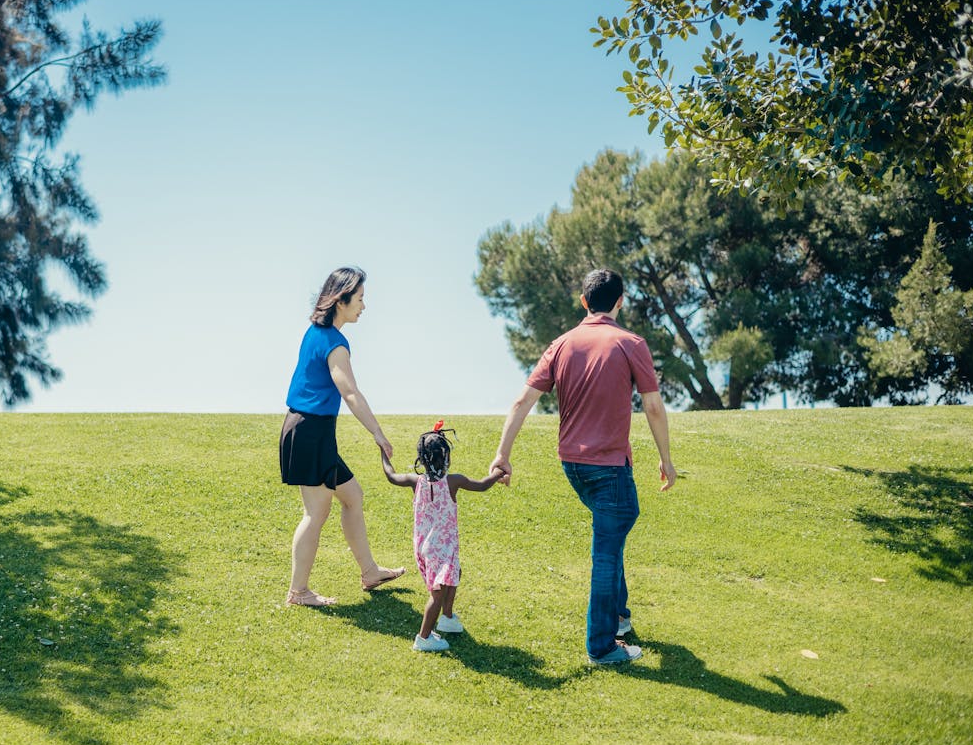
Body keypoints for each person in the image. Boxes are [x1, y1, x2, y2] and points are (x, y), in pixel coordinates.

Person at [490, 269, 676, 665]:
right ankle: (602, 646)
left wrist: (502, 455)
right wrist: (666, 459)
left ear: (583, 301)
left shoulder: (560, 344)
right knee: (610, 543)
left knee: (614, 528)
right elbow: (654, 406)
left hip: (572, 465)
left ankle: (620, 617)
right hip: (608, 466)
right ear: (620, 301)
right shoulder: (632, 343)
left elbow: (521, 402)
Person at [280, 266, 406, 606]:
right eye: (360, 299)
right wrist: (378, 433)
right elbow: (349, 392)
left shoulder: (317, 333)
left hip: (313, 430)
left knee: (352, 496)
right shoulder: (335, 344)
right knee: (315, 513)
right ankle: (298, 592)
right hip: (309, 432)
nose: (363, 306)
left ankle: (369, 571)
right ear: (341, 300)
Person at [382, 421, 503, 651]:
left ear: (422, 458)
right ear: (446, 457)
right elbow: (482, 485)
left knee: (455, 573)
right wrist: (498, 472)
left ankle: (447, 618)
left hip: (426, 546)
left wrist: (382, 451)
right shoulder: (453, 481)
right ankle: (423, 638)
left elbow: (390, 475)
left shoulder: (414, 481)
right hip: (441, 547)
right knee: (437, 594)